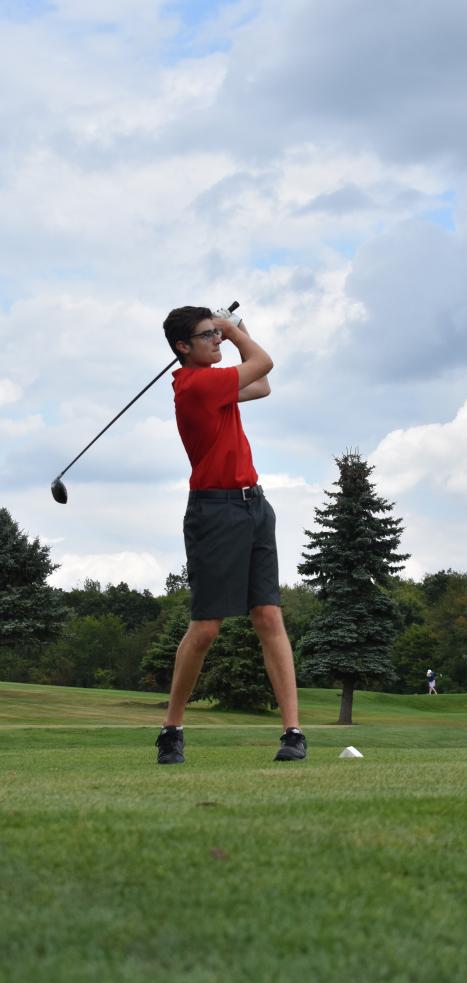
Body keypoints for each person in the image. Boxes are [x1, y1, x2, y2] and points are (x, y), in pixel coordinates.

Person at [155, 305, 306, 765]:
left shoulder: (217, 383)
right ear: (184, 347)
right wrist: (235, 330)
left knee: (268, 615)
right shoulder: (196, 385)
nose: (217, 341)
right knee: (205, 628)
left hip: (254, 507)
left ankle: (293, 732)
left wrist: (234, 331)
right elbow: (263, 363)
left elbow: (260, 385)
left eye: (216, 334)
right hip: (214, 512)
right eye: (208, 335)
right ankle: (171, 729)